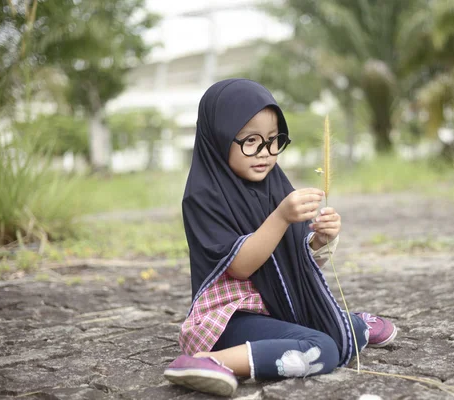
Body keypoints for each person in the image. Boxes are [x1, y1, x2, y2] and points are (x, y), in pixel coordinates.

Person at [163, 79, 397, 397]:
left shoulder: (275, 186)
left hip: (275, 307)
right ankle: (208, 361)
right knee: (323, 349)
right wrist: (282, 217)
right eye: (250, 141)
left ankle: (355, 323)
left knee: (345, 331)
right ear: (219, 139)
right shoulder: (204, 196)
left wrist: (319, 239)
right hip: (229, 318)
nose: (265, 153)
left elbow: (293, 257)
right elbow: (241, 266)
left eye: (273, 140)